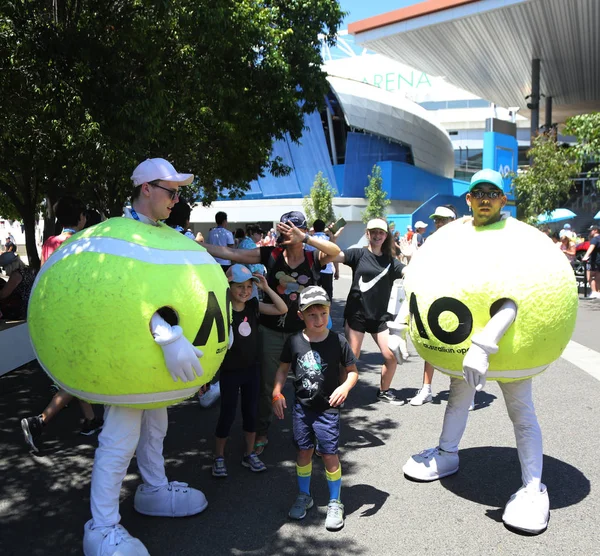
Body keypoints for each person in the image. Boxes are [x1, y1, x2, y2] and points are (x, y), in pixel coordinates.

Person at [402, 169, 555, 535]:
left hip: (511, 344)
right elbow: (427, 276)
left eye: (492, 192)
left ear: (503, 199)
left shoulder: (515, 239)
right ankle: (447, 453)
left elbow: (516, 296)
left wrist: (485, 344)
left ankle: (534, 488)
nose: (484, 198)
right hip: (463, 342)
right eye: (477, 193)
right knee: (458, 398)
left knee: (521, 412)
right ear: (467, 199)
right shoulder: (457, 235)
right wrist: (404, 315)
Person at [83, 157, 207, 556]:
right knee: (120, 438)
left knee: (157, 425)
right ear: (146, 189)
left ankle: (153, 488)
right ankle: (102, 527)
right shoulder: (119, 236)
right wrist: (165, 333)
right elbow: (121, 293)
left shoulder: (163, 234)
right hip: (129, 358)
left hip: (156, 361)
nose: (176, 199)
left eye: (177, 192)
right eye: (170, 191)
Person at [202, 210, 340, 455]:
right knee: (266, 387)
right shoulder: (271, 254)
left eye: (291, 229)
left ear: (301, 230)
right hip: (270, 331)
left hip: (304, 334)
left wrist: (306, 238)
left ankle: (312, 434)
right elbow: (232, 253)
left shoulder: (313, 256)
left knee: (312, 384)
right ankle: (262, 431)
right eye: (282, 228)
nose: (284, 232)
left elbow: (336, 252)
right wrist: (196, 246)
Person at [272, 286, 358, 531]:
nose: (318, 319)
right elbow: (282, 368)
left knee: (330, 454)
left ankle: (334, 501)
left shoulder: (337, 341)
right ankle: (304, 495)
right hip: (302, 409)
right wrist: (276, 393)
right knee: (303, 452)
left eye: (323, 313)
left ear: (328, 312)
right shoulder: (295, 341)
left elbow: (353, 373)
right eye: (311, 314)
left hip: (327, 410)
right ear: (301, 315)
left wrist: (345, 387)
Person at [20, 196, 101, 453]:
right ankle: (39, 422)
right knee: (77, 375)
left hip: (51, 315)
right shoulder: (82, 243)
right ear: (80, 218)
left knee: (75, 371)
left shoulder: (49, 243)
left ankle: (90, 419)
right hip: (76, 317)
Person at [212, 265, 287, 478]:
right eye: (239, 286)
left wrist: (266, 287)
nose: (245, 291)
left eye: (248, 286)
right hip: (229, 371)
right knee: (227, 414)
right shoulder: (222, 309)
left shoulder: (253, 305)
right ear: (228, 286)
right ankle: (218, 457)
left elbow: (282, 309)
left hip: (252, 369)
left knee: (250, 413)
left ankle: (249, 454)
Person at [331, 219, 405, 404]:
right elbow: (335, 256)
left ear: (386, 235)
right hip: (357, 314)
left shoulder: (390, 261)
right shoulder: (358, 254)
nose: (377, 235)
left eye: (381, 232)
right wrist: (330, 239)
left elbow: (407, 272)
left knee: (391, 355)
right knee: (351, 357)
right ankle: (339, 391)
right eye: (374, 232)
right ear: (368, 234)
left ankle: (384, 391)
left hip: (380, 317)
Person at [410, 205, 458, 407]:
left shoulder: (464, 242)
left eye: (443, 219)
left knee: (459, 347)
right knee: (430, 343)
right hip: (433, 299)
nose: (438, 223)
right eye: (437, 219)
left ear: (452, 221)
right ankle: (426, 389)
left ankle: (464, 394)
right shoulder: (430, 242)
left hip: (459, 299)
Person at [0, 252, 36, 320]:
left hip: (23, 308)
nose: (3, 270)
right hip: (31, 304)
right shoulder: (28, 270)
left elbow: (3, 294)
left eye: (3, 267)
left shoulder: (16, 275)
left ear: (9, 266)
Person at [582, 226, 600, 298]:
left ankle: (594, 292)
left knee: (591, 276)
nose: (590, 232)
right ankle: (598, 292)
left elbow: (591, 248)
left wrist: (585, 256)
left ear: (595, 230)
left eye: (591, 230)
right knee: (598, 276)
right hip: (599, 260)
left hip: (594, 260)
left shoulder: (595, 239)